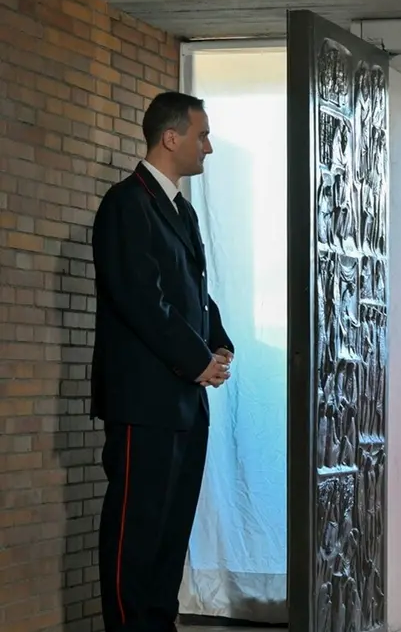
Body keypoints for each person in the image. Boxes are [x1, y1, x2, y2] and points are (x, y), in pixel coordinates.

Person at [91, 91, 234, 632]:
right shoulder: (126, 204)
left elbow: (195, 292)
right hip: (144, 400)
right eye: (202, 135)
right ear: (170, 138)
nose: (209, 147)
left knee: (171, 529)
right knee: (137, 530)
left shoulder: (180, 208)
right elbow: (141, 298)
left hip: (183, 399)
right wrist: (195, 359)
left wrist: (218, 345)